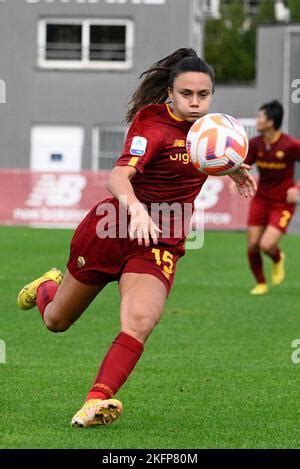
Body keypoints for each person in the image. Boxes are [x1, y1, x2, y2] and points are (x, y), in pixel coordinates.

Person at [17, 48, 256, 428]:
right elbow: (118, 178)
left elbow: (197, 158)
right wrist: (138, 210)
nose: (195, 102)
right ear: (170, 93)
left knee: (142, 318)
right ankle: (48, 285)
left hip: (159, 241)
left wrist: (230, 168)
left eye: (203, 95)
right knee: (56, 321)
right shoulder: (151, 125)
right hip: (111, 230)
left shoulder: (211, 132)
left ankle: (95, 401)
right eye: (186, 94)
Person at [243, 100, 300, 295]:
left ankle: (277, 258)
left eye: (260, 117)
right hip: (260, 199)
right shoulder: (255, 144)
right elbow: (244, 165)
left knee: (266, 245)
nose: (257, 120)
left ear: (271, 121)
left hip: (282, 203)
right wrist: (238, 178)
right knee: (252, 245)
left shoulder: (290, 145)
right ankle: (260, 283)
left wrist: (297, 187)